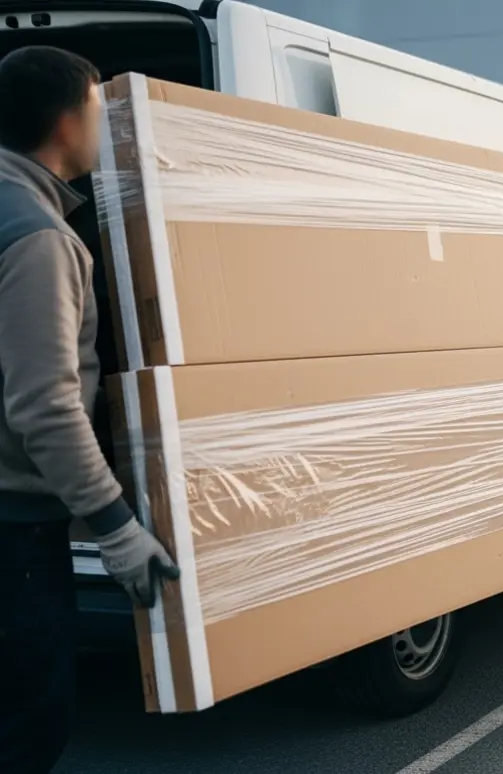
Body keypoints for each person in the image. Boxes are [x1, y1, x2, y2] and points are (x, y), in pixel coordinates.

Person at [0, 46, 179, 773]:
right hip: (14, 542)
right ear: (68, 122)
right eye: (99, 108)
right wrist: (114, 526)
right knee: (28, 727)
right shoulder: (38, 237)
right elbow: (45, 403)